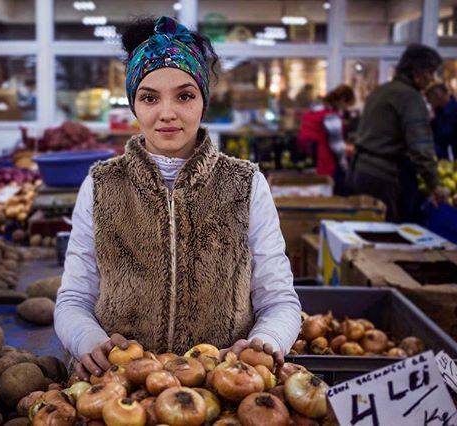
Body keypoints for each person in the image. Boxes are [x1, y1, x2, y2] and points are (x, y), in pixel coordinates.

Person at [54, 16, 301, 380]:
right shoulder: (102, 185)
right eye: (149, 97)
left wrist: (263, 342)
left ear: (203, 102)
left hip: (221, 386)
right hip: (121, 389)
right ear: (134, 105)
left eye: (184, 95)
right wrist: (89, 341)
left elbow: (279, 300)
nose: (167, 113)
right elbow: (74, 298)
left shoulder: (246, 184)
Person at [349, 44, 446, 222]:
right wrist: (434, 185)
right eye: (430, 73)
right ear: (418, 73)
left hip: (361, 170)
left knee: (365, 230)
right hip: (385, 176)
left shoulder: (381, 91)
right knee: (387, 236)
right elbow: (420, 147)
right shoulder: (410, 98)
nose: (432, 79)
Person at [297, 84, 356, 194]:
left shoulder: (315, 109)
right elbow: (337, 148)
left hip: (310, 162)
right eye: (347, 105)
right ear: (343, 100)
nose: (346, 109)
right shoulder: (331, 116)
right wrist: (349, 153)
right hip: (326, 163)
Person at [425, 82, 457, 160]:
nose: (429, 103)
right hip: (442, 160)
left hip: (455, 160)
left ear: (438, 95)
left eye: (430, 99)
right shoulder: (437, 113)